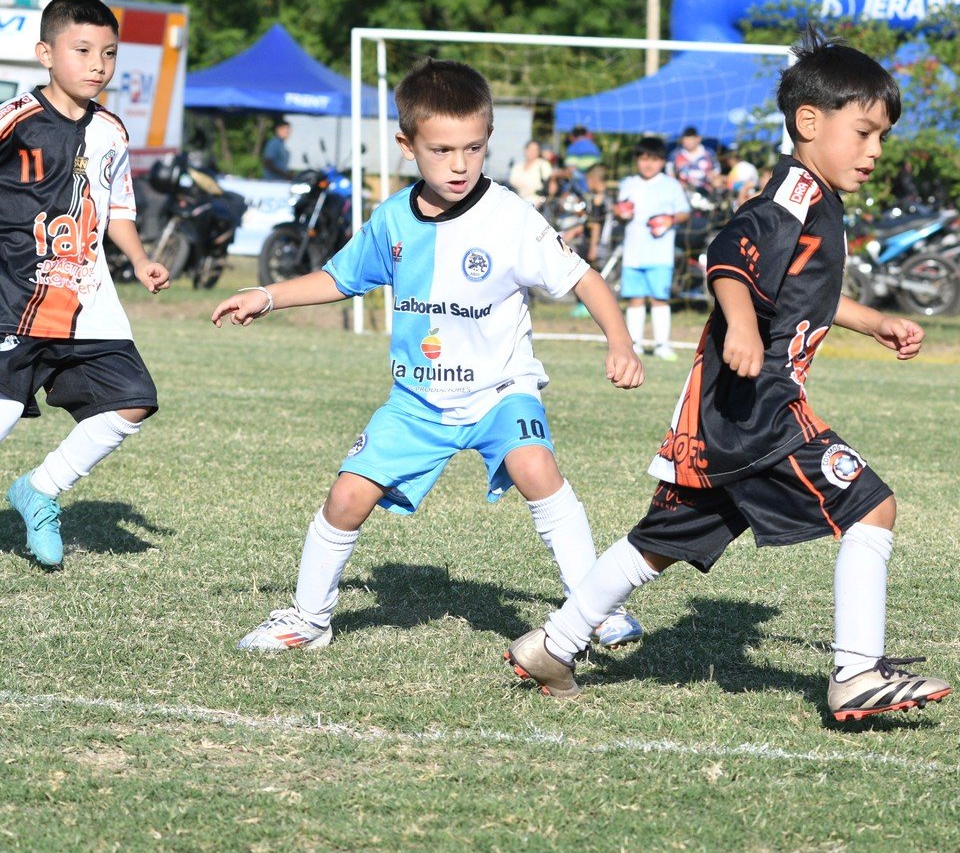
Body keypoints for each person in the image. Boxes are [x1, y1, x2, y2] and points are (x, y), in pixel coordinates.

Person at [505, 27, 953, 723]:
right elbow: (727, 252)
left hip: (722, 415)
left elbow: (805, 293)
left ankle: (555, 643)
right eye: (863, 132)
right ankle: (857, 673)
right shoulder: (796, 191)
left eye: (881, 139)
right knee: (870, 505)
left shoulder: (818, 200)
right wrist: (740, 324)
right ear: (809, 122)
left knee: (660, 542)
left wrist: (874, 321)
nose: (873, 151)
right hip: (760, 404)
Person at [210, 59, 647, 651]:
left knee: (536, 469)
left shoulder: (511, 218)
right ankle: (308, 620)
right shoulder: (392, 218)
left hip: (500, 390)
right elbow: (340, 279)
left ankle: (593, 609)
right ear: (406, 145)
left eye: (473, 147)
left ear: (488, 139)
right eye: (442, 150)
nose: (460, 164)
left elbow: (586, 279)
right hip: (417, 399)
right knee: (346, 496)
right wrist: (268, 294)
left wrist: (619, 343)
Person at [0, 0, 170, 568]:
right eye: (83, 50)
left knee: (132, 400)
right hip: (13, 300)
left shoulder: (113, 132)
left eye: (110, 53)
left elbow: (117, 208)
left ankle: (40, 490)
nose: (98, 64)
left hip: (87, 299)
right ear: (46, 53)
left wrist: (141, 258)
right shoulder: (14, 119)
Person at [617, 135, 690, 360]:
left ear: (662, 161)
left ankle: (661, 344)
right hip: (633, 253)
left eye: (654, 159)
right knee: (635, 298)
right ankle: (634, 344)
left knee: (659, 298)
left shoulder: (671, 185)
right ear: (637, 160)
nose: (648, 164)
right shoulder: (628, 184)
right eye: (643, 158)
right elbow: (620, 211)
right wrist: (620, 213)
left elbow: (684, 212)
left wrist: (670, 219)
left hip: (660, 254)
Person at [669, 125, 718, 193]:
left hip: (705, 190)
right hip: (683, 190)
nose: (687, 142)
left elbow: (716, 171)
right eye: (685, 139)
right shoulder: (675, 155)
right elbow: (670, 172)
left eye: (690, 139)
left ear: (698, 139)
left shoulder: (709, 154)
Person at [507, 140, 552, 207]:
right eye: (530, 149)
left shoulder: (543, 165)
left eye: (535, 150)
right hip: (517, 200)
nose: (532, 152)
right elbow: (511, 182)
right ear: (525, 150)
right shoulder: (518, 166)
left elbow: (551, 183)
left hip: (537, 202)